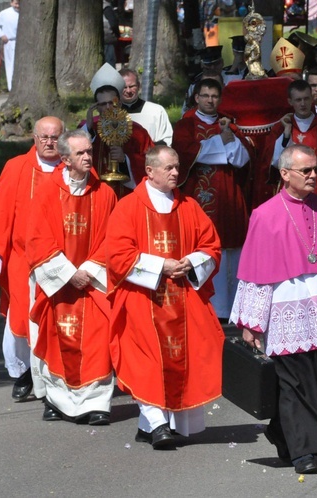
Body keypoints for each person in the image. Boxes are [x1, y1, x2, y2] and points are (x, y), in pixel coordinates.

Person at [230, 144, 317, 474]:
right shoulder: (265, 214)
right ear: (285, 174)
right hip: (286, 310)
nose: (314, 175)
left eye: (316, 169)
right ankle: (302, 452)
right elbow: (255, 274)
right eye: (307, 171)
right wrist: (251, 322)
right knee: (293, 383)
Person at [107, 145, 224, 450]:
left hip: (184, 298)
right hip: (143, 300)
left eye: (177, 166)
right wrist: (161, 265)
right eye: (169, 168)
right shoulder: (128, 207)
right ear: (149, 171)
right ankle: (157, 424)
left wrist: (193, 262)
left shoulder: (189, 206)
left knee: (192, 355)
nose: (176, 173)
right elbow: (118, 256)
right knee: (145, 361)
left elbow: (211, 246)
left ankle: (154, 424)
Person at [26, 129, 117, 425]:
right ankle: (56, 400)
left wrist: (88, 271)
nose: (89, 157)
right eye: (81, 153)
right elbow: (37, 238)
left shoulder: (105, 193)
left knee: (96, 339)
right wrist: (67, 273)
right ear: (65, 159)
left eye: (90, 151)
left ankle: (97, 403)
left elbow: (113, 239)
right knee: (54, 337)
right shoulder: (46, 191)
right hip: (58, 283)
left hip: (92, 281)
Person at [0, 116, 64, 402]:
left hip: (61, 259)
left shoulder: (73, 169)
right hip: (22, 257)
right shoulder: (16, 168)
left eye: (55, 138)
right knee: (22, 315)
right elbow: (0, 211)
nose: (50, 143)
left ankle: (58, 372)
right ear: (35, 138)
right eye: (45, 138)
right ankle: (25, 372)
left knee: (61, 317)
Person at [173, 77, 253, 320]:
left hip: (229, 197)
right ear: (196, 97)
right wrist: (223, 143)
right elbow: (188, 153)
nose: (210, 100)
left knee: (231, 250)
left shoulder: (228, 124)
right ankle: (207, 307)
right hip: (199, 197)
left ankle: (232, 308)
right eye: (205, 96)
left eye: (215, 96)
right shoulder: (186, 124)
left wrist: (228, 137)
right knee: (203, 247)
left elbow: (242, 158)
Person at [265, 79, 317, 204]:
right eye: (298, 100)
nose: (303, 104)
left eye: (306, 99)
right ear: (290, 101)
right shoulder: (281, 128)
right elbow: (276, 163)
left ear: (312, 99)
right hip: (290, 191)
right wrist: (286, 134)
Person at [83, 64, 155, 197]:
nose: (108, 107)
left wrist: (125, 160)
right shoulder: (88, 130)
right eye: (103, 104)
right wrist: (88, 127)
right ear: (96, 107)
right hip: (96, 194)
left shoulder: (137, 131)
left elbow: (151, 163)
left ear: (120, 103)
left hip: (127, 195)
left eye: (112, 102)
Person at [120, 68, 173, 146]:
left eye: (132, 86)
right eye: (124, 87)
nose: (128, 91)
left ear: (139, 86)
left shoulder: (156, 111)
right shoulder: (111, 113)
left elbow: (167, 140)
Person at [0, 0, 19, 91]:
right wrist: (1, 35)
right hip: (10, 42)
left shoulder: (27, 12)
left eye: (19, 3)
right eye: (16, 3)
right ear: (11, 3)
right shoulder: (5, 13)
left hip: (25, 42)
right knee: (11, 65)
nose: (17, 6)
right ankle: (12, 88)